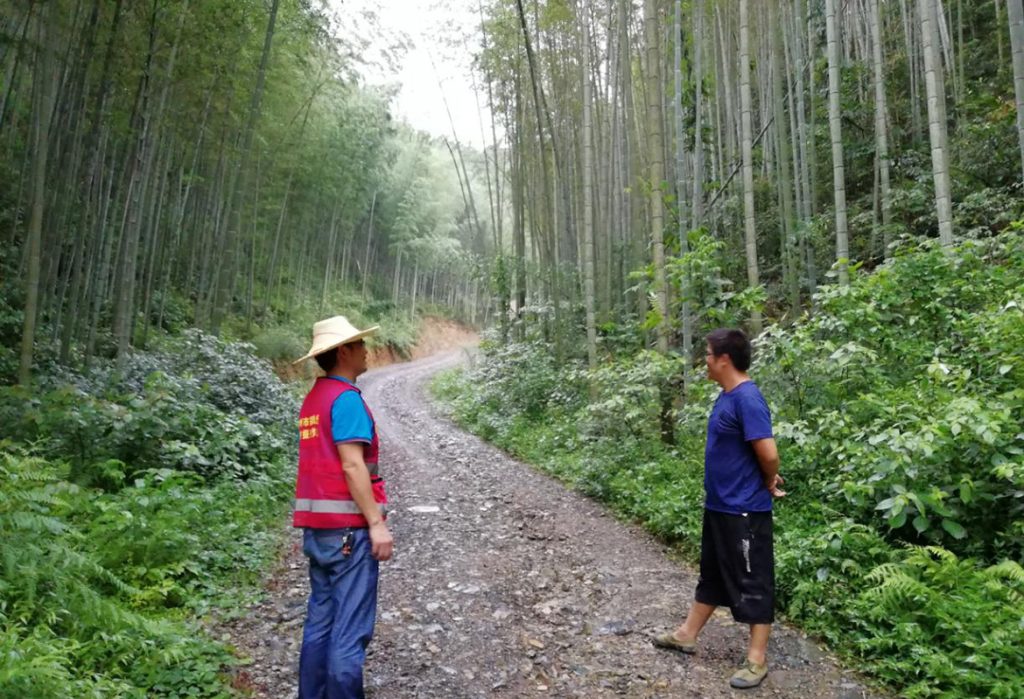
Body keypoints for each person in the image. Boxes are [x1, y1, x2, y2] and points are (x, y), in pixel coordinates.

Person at [653, 328, 785, 690]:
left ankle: (756, 660)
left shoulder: (748, 398)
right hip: (720, 505)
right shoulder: (726, 396)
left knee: (754, 580)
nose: (705, 361)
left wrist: (769, 480)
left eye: (708, 354)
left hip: (744, 510)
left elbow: (769, 453)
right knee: (711, 574)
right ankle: (687, 634)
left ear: (724, 359)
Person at [292, 315, 394, 699]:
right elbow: (352, 465)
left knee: (320, 623)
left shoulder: (314, 399)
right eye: (359, 344)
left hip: (318, 531)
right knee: (349, 631)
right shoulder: (346, 399)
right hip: (349, 532)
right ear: (343, 352)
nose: (366, 350)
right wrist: (376, 523)